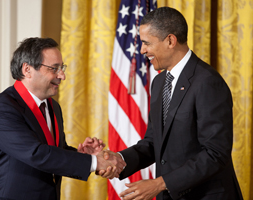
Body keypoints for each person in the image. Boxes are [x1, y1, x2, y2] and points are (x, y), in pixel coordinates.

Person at [101, 7, 243, 200]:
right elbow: (153, 142)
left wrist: (160, 183)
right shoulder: (159, 82)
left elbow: (216, 153)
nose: (142, 50)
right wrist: (120, 159)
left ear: (170, 41)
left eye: (146, 43)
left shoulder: (208, 82)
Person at [0, 37, 126, 200]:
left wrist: (81, 155)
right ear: (27, 69)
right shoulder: (1, 109)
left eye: (62, 67)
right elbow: (36, 153)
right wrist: (95, 162)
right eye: (54, 68)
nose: (62, 75)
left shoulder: (53, 106)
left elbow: (51, 149)